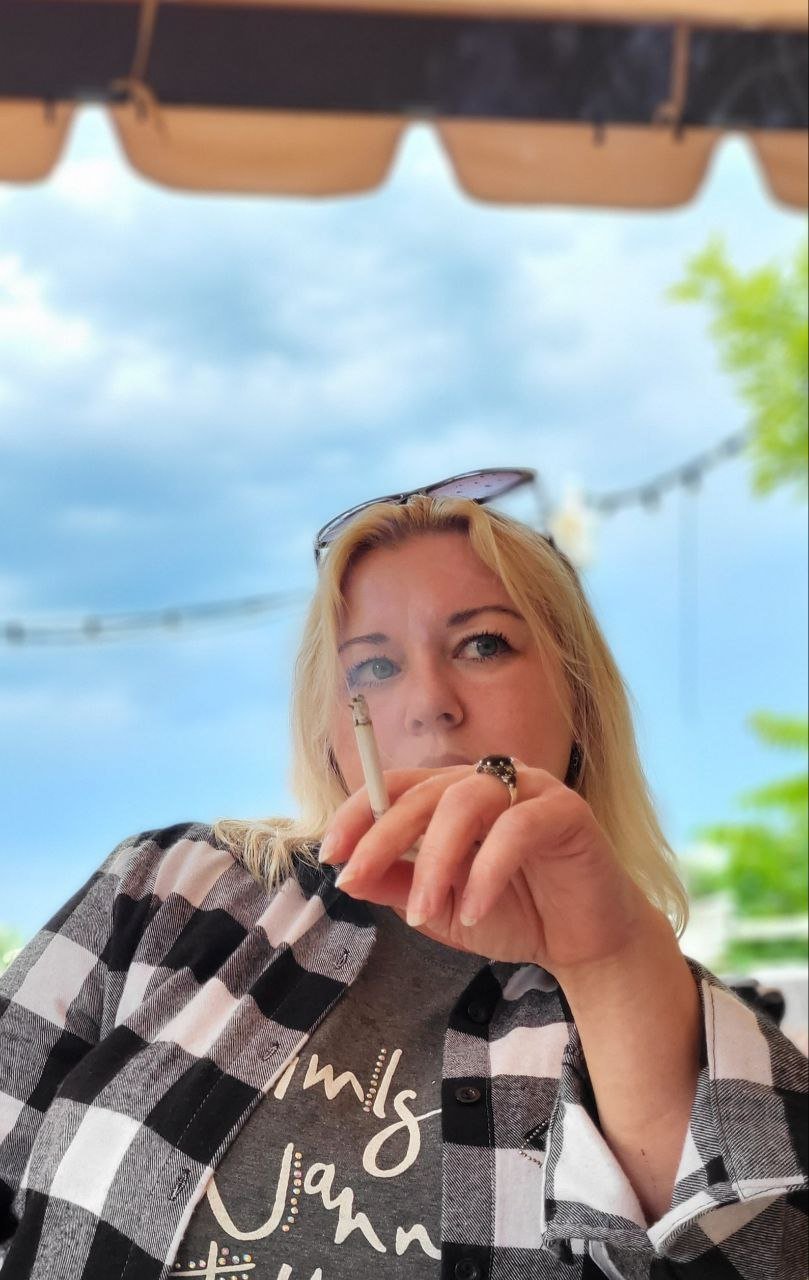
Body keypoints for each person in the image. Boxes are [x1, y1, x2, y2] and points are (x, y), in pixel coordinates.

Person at [0, 469, 806, 1280]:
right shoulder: (171, 888)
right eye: (373, 669)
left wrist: (609, 964)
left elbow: (766, 1259)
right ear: (330, 733)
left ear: (579, 702)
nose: (430, 704)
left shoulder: (662, 1005)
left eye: (483, 645)